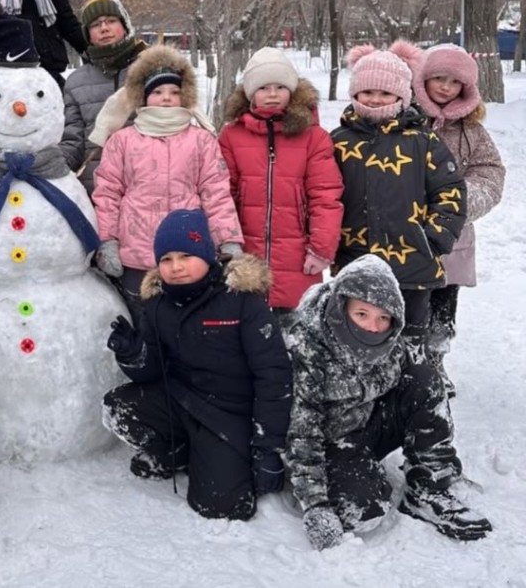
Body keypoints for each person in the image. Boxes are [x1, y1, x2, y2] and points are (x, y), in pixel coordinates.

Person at [285, 254, 492, 550]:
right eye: (362, 314)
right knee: (362, 514)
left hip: (372, 423)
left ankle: (428, 484)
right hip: (332, 441)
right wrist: (315, 504)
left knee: (423, 378)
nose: (372, 326)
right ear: (342, 307)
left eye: (383, 317)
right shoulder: (308, 347)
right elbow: (302, 436)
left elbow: (418, 395)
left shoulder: (391, 340)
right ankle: (359, 476)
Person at [102, 209, 292, 521]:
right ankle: (177, 452)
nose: (175, 267)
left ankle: (215, 456)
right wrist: (132, 354)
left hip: (230, 414)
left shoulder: (242, 301)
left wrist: (268, 447)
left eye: (185, 256)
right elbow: (153, 371)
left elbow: (274, 376)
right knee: (117, 406)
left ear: (207, 254)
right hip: (181, 399)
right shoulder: (157, 303)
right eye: (166, 259)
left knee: (220, 506)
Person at [331, 41, 466, 358]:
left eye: (385, 93)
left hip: (413, 264)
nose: (376, 99)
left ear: (401, 96)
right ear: (355, 94)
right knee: (358, 340)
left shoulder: (422, 140)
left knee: (410, 345)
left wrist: (433, 239)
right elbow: (322, 194)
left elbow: (450, 190)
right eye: (368, 92)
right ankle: (365, 402)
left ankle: (415, 399)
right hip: (356, 260)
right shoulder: (337, 142)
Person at [92, 44, 243, 297]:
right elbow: (107, 195)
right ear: (142, 96)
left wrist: (228, 240)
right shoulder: (122, 140)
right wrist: (107, 241)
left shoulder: (201, 140)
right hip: (136, 255)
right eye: (158, 91)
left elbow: (216, 195)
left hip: (187, 253)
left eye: (174, 92)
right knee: (142, 320)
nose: (166, 98)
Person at [218, 47, 344, 321]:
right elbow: (223, 194)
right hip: (245, 257)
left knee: (295, 331)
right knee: (247, 329)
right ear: (251, 94)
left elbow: (325, 196)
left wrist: (321, 250)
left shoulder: (314, 138)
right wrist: (226, 245)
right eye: (263, 87)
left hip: (298, 258)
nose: (272, 94)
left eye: (280, 87)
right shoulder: (231, 136)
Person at [411, 44, 506, 394]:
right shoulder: (406, 118)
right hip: (406, 232)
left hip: (452, 238)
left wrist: (459, 203)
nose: (446, 87)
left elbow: (490, 172)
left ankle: (435, 361)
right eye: (439, 78)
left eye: (455, 82)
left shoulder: (472, 131)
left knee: (442, 304)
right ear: (424, 78)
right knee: (406, 301)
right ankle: (401, 362)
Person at [60, 0, 148, 194]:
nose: (104, 28)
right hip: (96, 190)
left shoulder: (152, 71)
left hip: (147, 188)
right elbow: (72, 141)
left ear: (124, 25)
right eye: (95, 24)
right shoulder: (75, 83)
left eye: (111, 20)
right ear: (87, 34)